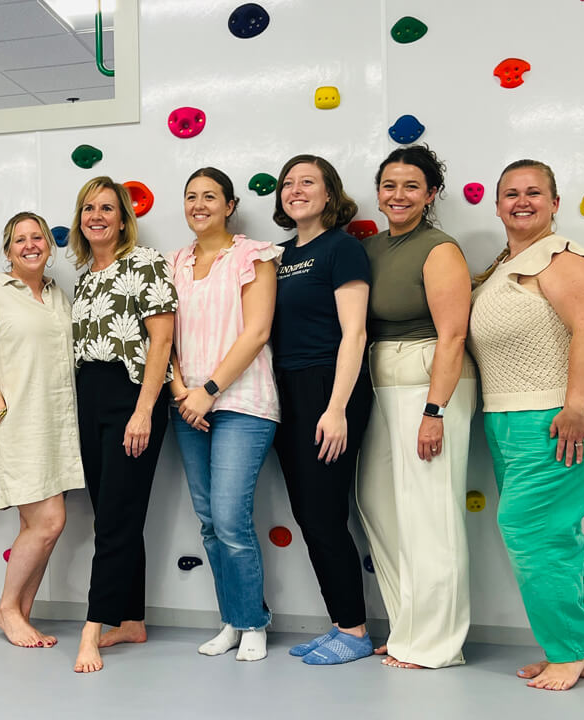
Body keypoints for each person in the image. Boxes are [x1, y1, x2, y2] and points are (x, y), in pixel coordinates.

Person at [468, 160, 584, 691]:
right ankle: (581, 650)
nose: (522, 201)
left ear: (555, 203)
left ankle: (566, 651)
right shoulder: (507, 265)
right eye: (511, 194)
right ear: (496, 205)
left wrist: (576, 405)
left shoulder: (561, 257)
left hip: (571, 413)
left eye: (534, 192)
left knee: (530, 529)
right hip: (518, 416)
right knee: (555, 531)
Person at [355, 146, 475, 669]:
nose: (397, 196)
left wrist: (435, 411)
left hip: (429, 383)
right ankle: (409, 627)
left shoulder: (439, 248)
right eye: (388, 186)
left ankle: (437, 644)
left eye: (410, 186)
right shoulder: (374, 247)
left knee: (430, 514)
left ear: (430, 194)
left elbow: (453, 335)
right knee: (380, 508)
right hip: (380, 385)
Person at [0, 211, 85, 649]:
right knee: (48, 520)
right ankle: (8, 609)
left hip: (56, 424)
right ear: (8, 249)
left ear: (49, 245)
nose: (30, 245)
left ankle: (21, 612)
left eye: (38, 237)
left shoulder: (57, 295)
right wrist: (0, 413)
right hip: (14, 423)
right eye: (20, 239)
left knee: (45, 523)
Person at [167, 168, 281, 661]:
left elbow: (256, 332)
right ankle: (232, 619)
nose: (199, 204)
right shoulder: (175, 261)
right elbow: (163, 336)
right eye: (191, 197)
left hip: (242, 403)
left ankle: (254, 621)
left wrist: (208, 390)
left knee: (233, 519)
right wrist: (181, 391)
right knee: (210, 521)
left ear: (230, 204)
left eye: (210, 196)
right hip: (186, 405)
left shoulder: (254, 256)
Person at [269, 155, 374, 665]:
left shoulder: (343, 249)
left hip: (329, 386)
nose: (295, 189)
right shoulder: (279, 255)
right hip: (284, 388)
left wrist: (336, 408)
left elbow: (354, 332)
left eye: (307, 181)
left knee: (325, 512)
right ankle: (340, 622)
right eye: (288, 183)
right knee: (308, 511)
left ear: (329, 193)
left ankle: (354, 631)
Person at [68, 177, 177, 673]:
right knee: (114, 513)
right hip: (90, 398)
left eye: (107, 208)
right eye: (89, 208)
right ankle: (130, 620)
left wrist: (144, 410)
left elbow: (161, 341)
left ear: (122, 217)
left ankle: (91, 630)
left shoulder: (146, 263)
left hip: (131, 396)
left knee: (113, 519)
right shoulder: (85, 275)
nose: (97, 216)